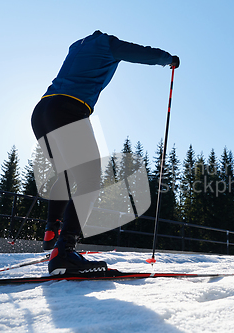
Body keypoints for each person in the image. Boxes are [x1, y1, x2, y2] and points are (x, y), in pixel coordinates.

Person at [31, 30, 179, 275]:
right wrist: (169, 59)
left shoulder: (75, 46)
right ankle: (64, 251)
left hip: (42, 112)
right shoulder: (107, 44)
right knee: (90, 177)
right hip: (69, 109)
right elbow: (141, 53)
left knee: (68, 173)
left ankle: (52, 229)